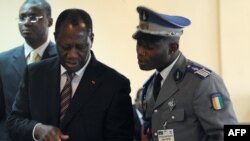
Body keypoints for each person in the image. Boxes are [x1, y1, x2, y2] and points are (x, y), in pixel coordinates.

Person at [6, 8, 134, 141]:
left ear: (91, 40)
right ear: (55, 38)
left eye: (80, 47)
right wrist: (37, 129)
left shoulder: (115, 85)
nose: (72, 55)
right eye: (65, 47)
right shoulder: (34, 74)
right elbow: (13, 122)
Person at [132, 6, 238, 141]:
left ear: (173, 48)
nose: (141, 52)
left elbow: (231, 133)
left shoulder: (202, 82)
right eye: (139, 44)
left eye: (149, 47)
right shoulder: (150, 86)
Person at [0, 0, 56, 140]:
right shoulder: (3, 61)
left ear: (49, 21)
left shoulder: (64, 60)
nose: (26, 22)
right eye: (22, 17)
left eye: (33, 17)